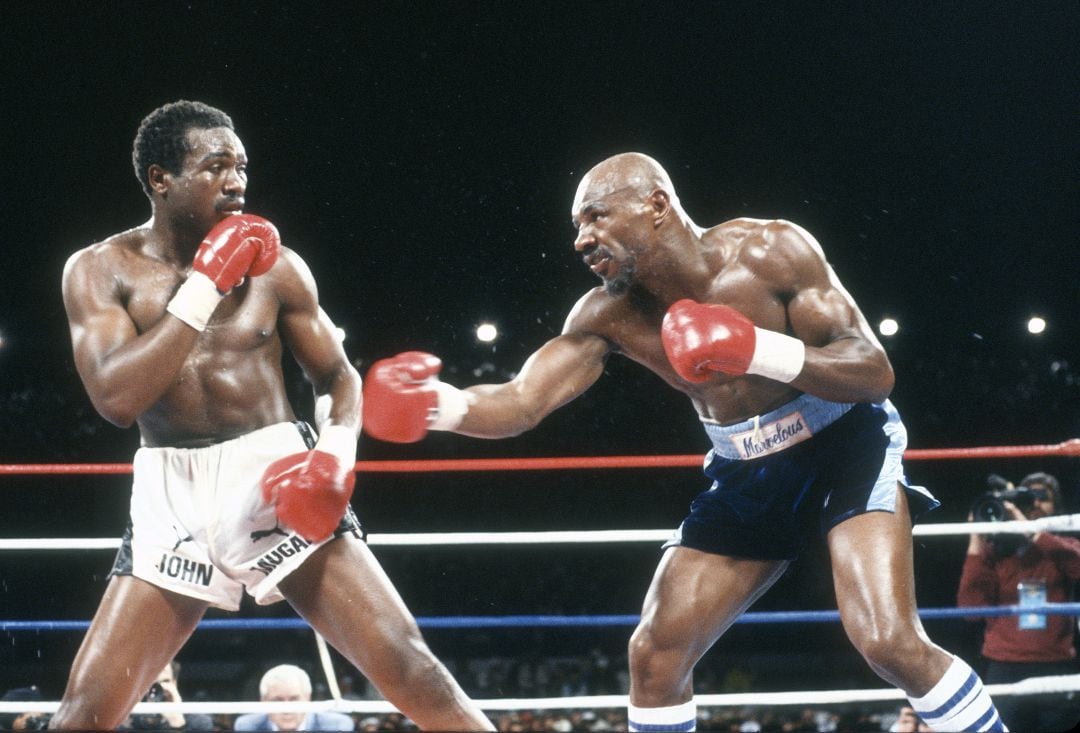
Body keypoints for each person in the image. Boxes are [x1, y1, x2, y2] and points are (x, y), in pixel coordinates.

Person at [362, 152, 1007, 732]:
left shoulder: (771, 250)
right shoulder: (607, 313)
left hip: (843, 442)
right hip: (746, 472)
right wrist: (437, 406)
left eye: (595, 216)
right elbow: (523, 401)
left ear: (657, 205)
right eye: (576, 227)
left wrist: (755, 349)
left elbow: (873, 372)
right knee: (654, 654)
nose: (582, 239)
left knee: (887, 640)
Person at [53, 100, 492, 731]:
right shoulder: (98, 271)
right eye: (215, 166)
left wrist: (334, 458)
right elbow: (116, 399)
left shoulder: (279, 268)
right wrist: (204, 286)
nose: (236, 182)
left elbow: (338, 377)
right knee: (84, 715)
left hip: (273, 476)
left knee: (411, 668)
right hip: (170, 495)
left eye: (241, 166)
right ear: (160, 179)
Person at [958, 471, 1080, 732]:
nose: (1035, 503)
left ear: (1055, 507)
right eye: (1028, 498)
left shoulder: (1063, 547)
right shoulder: (996, 553)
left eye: (1042, 498)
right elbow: (971, 608)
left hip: (1055, 664)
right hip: (1005, 665)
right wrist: (976, 535)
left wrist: (1030, 530)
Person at [233, 664, 353, 731]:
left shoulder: (337, 726)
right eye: (277, 700)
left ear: (308, 698)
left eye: (294, 699)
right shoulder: (246, 726)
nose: (287, 709)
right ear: (263, 701)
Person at [127, 659, 213, 731]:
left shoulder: (198, 723)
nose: (159, 688)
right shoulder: (129, 722)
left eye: (165, 681)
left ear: (174, 682)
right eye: (152, 683)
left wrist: (177, 723)